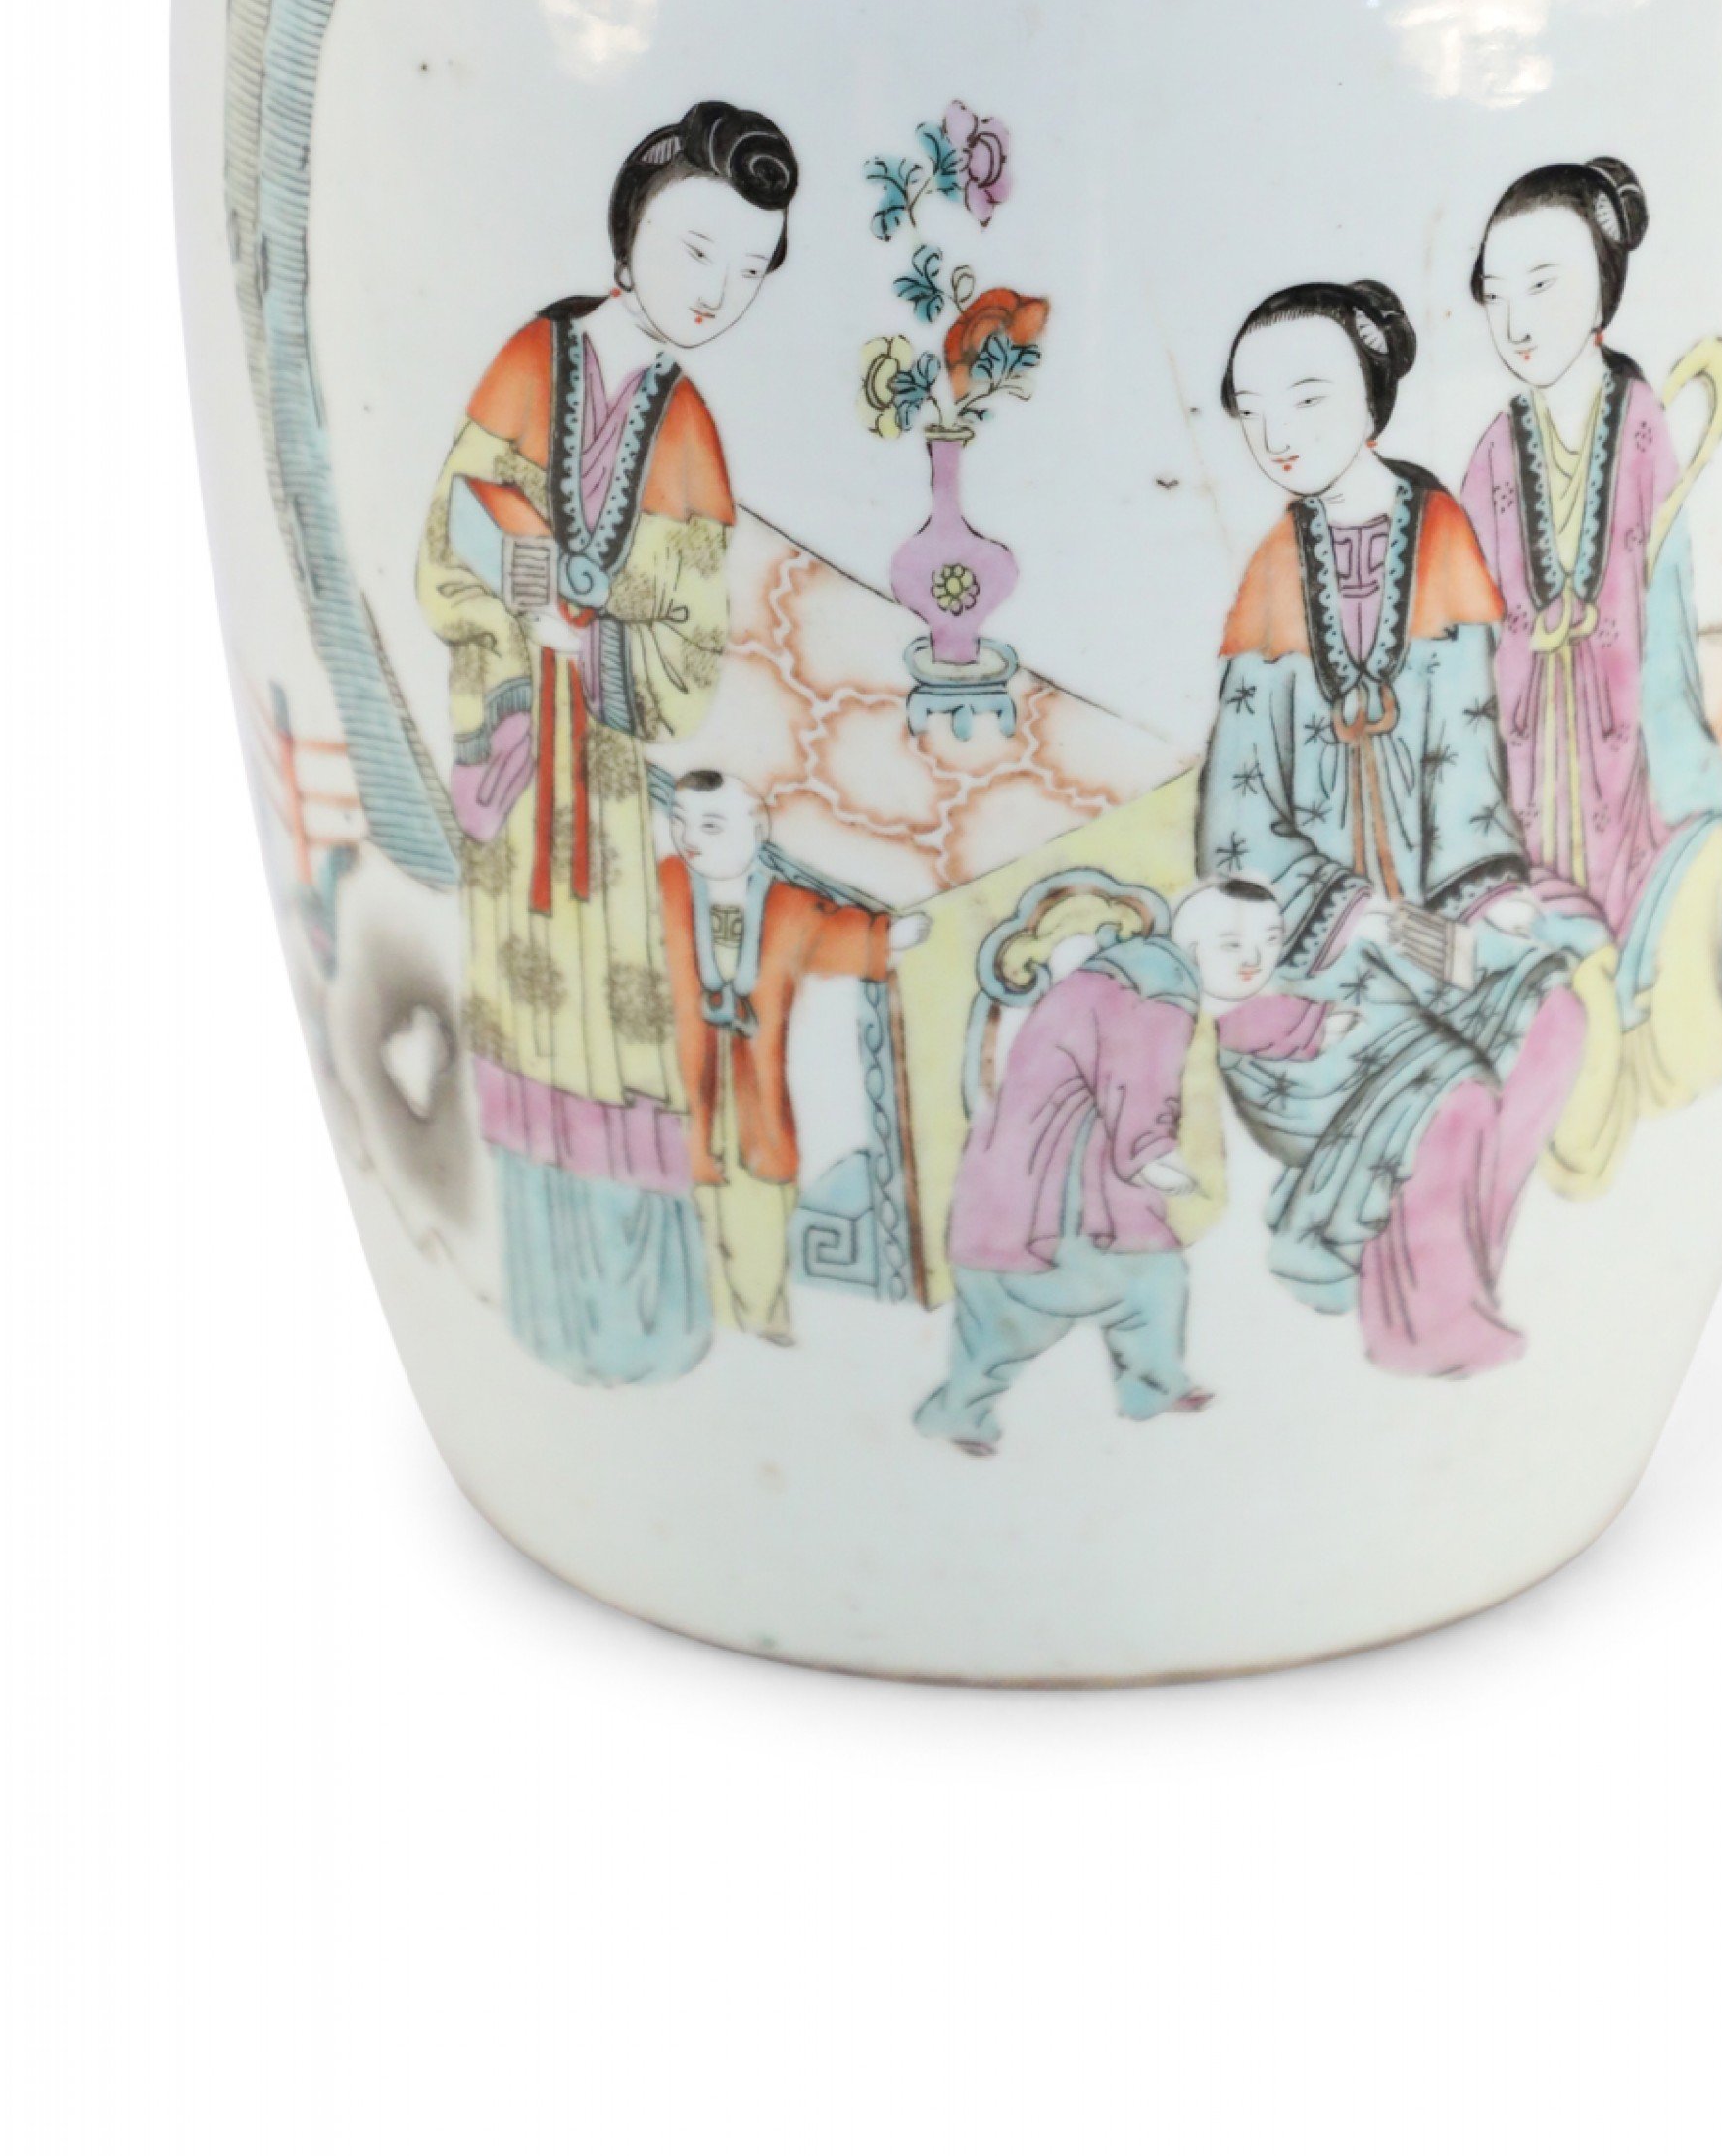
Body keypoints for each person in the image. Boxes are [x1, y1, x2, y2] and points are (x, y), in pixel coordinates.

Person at [416, 98, 798, 1383]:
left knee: (628, 1031)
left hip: (616, 796)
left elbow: (689, 658)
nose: (717, 290)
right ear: (629, 227)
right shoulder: (532, 361)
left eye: (750, 269)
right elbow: (446, 550)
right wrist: (530, 618)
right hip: (521, 767)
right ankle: (542, 1324)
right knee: (528, 1021)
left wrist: (594, 645)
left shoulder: (688, 433)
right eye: (697, 247)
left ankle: (646, 1321)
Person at [1200, 280, 1606, 1375]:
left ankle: (1455, 1282)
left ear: (1371, 395)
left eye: (1306, 398)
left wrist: (1491, 891)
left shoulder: (1441, 545)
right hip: (1307, 948)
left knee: (1553, 1022)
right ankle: (1424, 1335)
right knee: (1448, 1096)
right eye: (1252, 410)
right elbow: (1237, 818)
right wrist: (1351, 916)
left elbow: (1468, 760)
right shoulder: (1272, 573)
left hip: (1437, 908)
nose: (1277, 435)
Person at [1459, 158, 1722, 1193]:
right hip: (1530, 737)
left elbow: (1660, 585)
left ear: (1602, 288)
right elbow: (1476, 605)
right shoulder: (1494, 451)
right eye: (1497, 295)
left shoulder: (1643, 426)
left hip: (1626, 724)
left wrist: (1598, 636)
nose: (1518, 320)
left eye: (1544, 285)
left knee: (1653, 878)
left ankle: (1626, 1049)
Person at [914, 883, 1279, 1453]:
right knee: (1043, 1307)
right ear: (1191, 946)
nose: (1254, 960)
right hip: (1045, 1194)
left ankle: (1147, 1387)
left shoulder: (1130, 975)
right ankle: (960, 1409)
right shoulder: (1154, 995)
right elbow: (1137, 1077)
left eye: (1270, 941)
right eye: (1232, 944)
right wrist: (1150, 1151)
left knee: (1146, 1281)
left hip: (1034, 1178)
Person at [658, 769, 927, 1344]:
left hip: (757, 1090)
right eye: (680, 823)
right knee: (695, 1199)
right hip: (688, 1083)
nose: (690, 839)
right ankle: (715, 1318)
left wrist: (889, 939)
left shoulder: (787, 906)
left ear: (755, 829)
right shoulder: (666, 887)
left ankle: (760, 1316)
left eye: (710, 825)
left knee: (762, 1200)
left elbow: (837, 935)